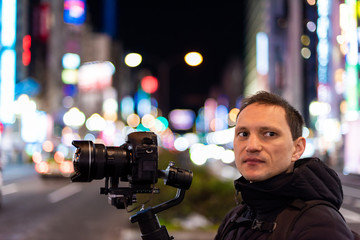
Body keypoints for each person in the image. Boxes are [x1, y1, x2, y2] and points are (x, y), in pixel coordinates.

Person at [215, 91, 354, 240]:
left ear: (298, 148)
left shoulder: (320, 225)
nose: (252, 146)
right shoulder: (234, 218)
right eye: (243, 134)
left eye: (269, 134)